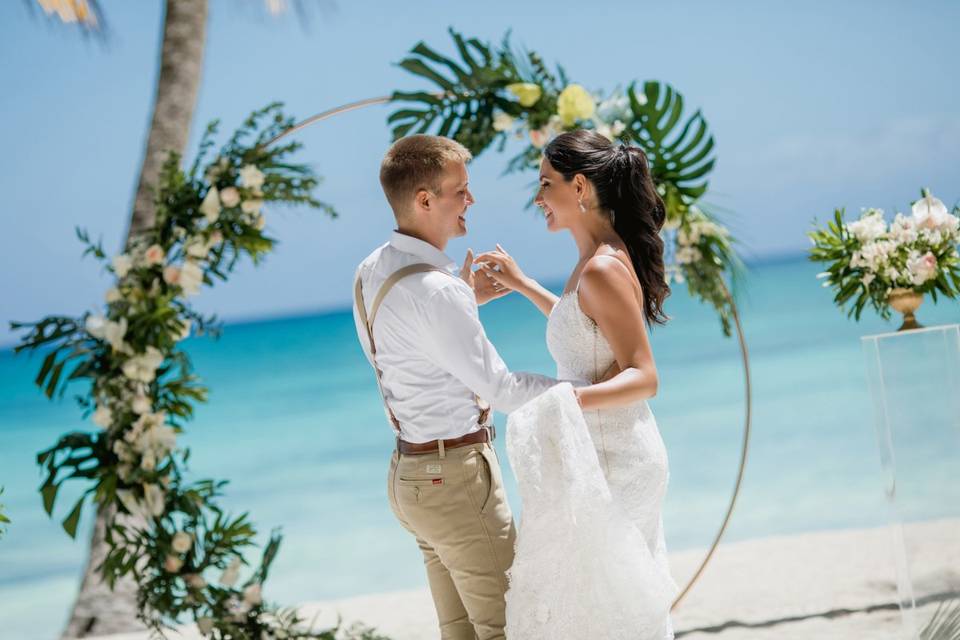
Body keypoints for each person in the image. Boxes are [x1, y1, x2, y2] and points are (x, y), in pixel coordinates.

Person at [475, 129, 680, 639]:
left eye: (546, 184)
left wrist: (557, 403)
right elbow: (583, 332)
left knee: (606, 609)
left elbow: (644, 374)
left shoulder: (603, 269)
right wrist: (523, 285)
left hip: (614, 458)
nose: (538, 198)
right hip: (599, 451)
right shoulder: (592, 265)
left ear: (580, 187)